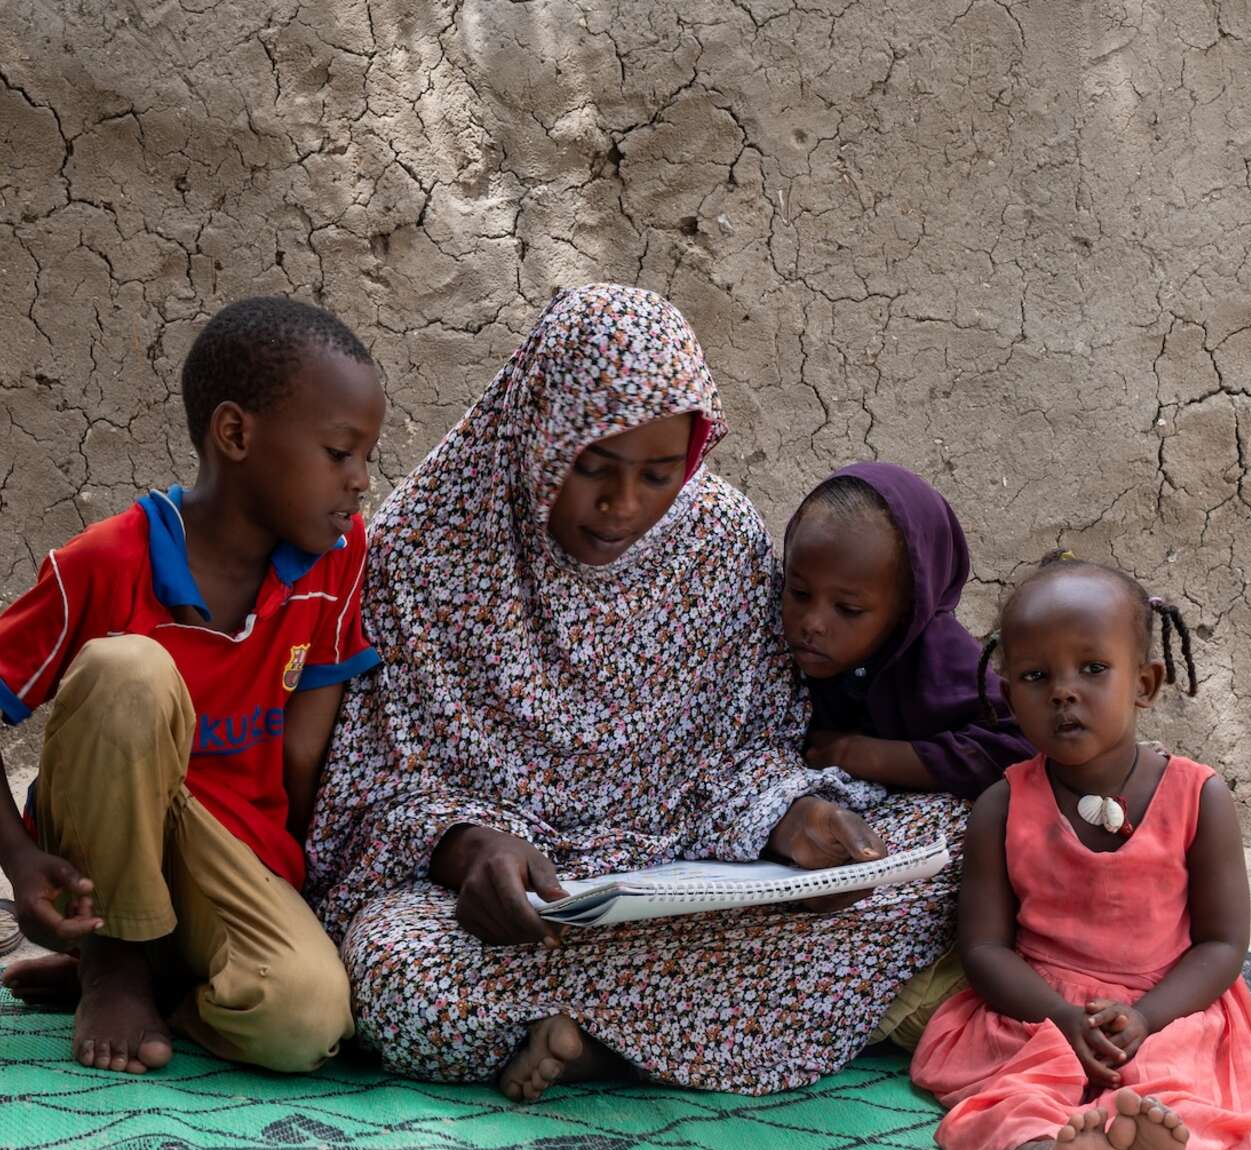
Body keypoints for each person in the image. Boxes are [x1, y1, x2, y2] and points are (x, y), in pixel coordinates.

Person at [307, 283, 970, 1101]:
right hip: (514, 912)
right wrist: (472, 849)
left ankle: (601, 1042)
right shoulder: (424, 549)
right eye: (592, 468)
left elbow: (748, 749)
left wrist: (790, 816)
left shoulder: (718, 541)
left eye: (659, 475)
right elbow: (372, 787)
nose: (624, 507)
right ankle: (687, 1027)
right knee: (403, 979)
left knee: (952, 835)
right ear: (539, 426)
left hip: (687, 871)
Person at [0, 296, 384, 1075]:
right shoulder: (105, 563)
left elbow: (306, 756)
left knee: (303, 1021)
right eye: (340, 453)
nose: (360, 482)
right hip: (100, 842)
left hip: (230, 848)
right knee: (128, 669)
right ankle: (112, 961)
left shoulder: (335, 561)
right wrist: (17, 858)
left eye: (365, 458)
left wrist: (301, 911)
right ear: (237, 434)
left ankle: (164, 979)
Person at [910, 552, 1251, 1150]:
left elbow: (1223, 944)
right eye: (1034, 676)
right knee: (1013, 1095)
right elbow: (984, 947)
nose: (1062, 692)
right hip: (1038, 1007)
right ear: (1006, 695)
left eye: (1093, 669)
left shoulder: (1200, 797)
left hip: (1167, 1005)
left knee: (1178, 1096)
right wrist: (1058, 1017)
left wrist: (1145, 1017)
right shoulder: (1002, 806)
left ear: (1146, 683)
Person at [785, 462, 1032, 799]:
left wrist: (862, 755)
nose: (812, 623)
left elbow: (1019, 749)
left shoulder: (938, 655)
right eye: (799, 593)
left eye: (849, 610)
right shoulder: (765, 646)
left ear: (907, 611)